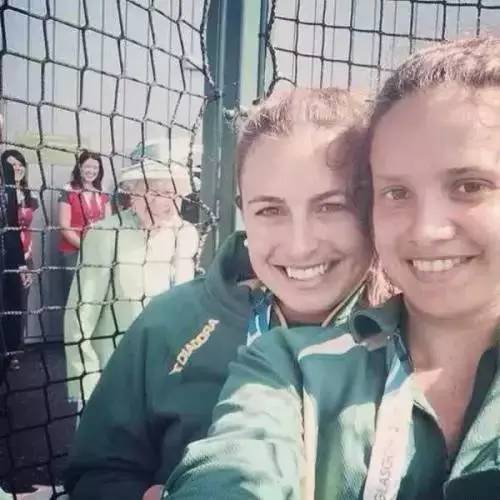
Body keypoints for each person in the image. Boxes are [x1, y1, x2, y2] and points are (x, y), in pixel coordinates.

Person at [163, 37, 500, 500]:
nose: (426, 230)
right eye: (397, 192)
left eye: (470, 186)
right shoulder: (289, 365)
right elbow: (236, 467)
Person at [64, 87, 389, 500]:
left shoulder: (420, 335)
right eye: (270, 210)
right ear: (243, 210)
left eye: (331, 206)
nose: (300, 245)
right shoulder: (167, 324)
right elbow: (96, 474)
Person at [64, 158, 199, 405]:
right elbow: (80, 316)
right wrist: (87, 385)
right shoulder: (105, 234)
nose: (165, 203)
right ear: (134, 195)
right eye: (155, 192)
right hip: (114, 378)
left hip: (168, 377)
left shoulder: (187, 234)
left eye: (173, 193)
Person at [58, 150, 110, 297]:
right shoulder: (68, 190)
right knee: (74, 295)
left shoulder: (103, 192)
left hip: (98, 252)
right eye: (87, 166)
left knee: (93, 295)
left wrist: (99, 248)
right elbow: (64, 226)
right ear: (79, 167)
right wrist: (85, 247)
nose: (91, 171)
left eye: (95, 167)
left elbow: (108, 225)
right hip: (73, 252)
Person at [0, 151, 31, 371]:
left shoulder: (10, 185)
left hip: (11, 257)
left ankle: (9, 354)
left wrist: (21, 263)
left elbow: (12, 227)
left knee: (12, 307)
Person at [4, 149, 39, 336]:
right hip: (6, 255)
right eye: (12, 165)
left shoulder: (28, 195)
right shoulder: (3, 193)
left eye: (20, 164)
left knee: (21, 303)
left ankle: (17, 345)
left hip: (26, 255)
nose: (17, 168)